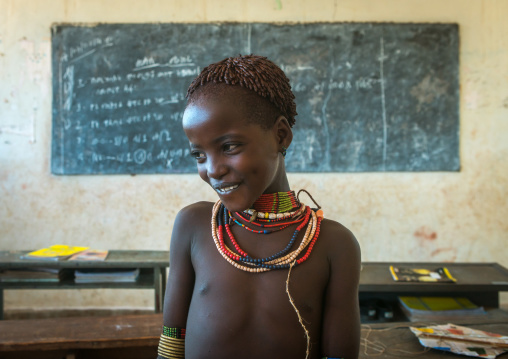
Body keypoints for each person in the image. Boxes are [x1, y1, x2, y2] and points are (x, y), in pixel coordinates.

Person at [157, 55, 361, 359]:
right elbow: (172, 338)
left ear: (280, 136)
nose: (212, 170)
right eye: (199, 155)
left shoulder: (334, 244)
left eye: (229, 147)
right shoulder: (194, 226)